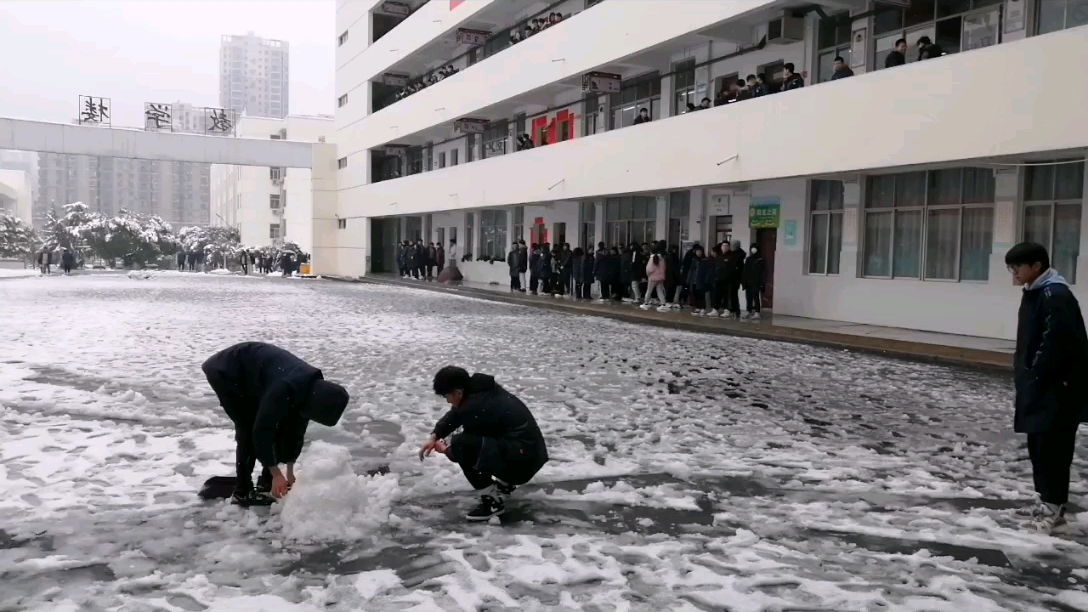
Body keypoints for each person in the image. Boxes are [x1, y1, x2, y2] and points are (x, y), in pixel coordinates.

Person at [202, 342, 350, 507]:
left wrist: (290, 469)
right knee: (248, 426)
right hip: (226, 372)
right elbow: (261, 431)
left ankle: (266, 481)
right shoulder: (285, 389)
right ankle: (242, 492)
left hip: (257, 376)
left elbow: (296, 431)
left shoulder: (312, 392)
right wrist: (276, 472)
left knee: (281, 424)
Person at [1005, 242, 1088, 530]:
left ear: (1037, 266)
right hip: (1039, 387)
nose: (1013, 272)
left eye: (1017, 266)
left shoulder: (1056, 295)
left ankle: (1053, 509)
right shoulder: (1035, 292)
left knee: (1053, 449)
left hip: (1057, 390)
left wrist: (1035, 373)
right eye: (1010, 267)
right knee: (1038, 446)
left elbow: (1058, 344)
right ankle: (1046, 502)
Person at [419, 366, 549, 521]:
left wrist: (446, 450)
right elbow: (457, 413)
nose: (447, 401)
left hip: (523, 464)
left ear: (458, 393)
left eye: (447, 396)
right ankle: (504, 484)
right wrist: (435, 435)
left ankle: (492, 503)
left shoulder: (476, 407)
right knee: (474, 443)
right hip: (530, 453)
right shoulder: (481, 392)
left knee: (461, 445)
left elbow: (465, 451)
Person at [642, 245, 669, 312]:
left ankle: (646, 303)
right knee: (659, 291)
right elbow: (664, 268)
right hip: (660, 278)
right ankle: (663, 304)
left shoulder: (652, 258)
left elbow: (649, 269)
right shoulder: (661, 258)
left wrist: (648, 275)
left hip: (652, 278)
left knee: (649, 290)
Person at [742, 245, 765, 320]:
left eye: (755, 248)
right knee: (748, 297)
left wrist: (762, 283)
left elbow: (763, 272)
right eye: (752, 248)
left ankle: (757, 312)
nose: (753, 250)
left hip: (757, 282)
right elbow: (745, 271)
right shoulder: (748, 259)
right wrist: (744, 282)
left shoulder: (760, 259)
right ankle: (748, 310)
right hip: (748, 281)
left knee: (756, 297)